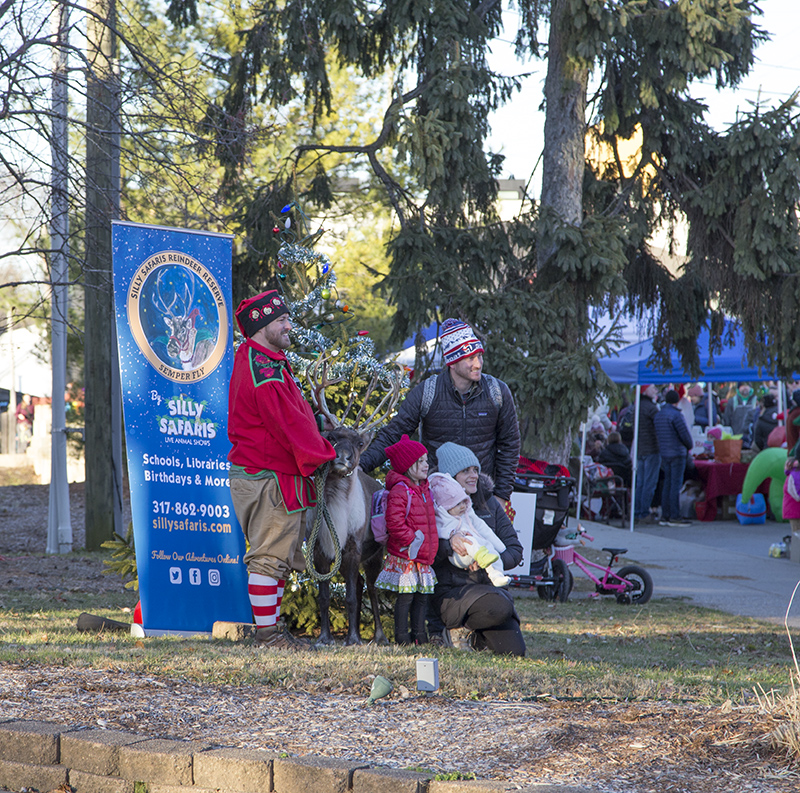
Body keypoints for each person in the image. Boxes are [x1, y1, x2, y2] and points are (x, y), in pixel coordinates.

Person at [227, 290, 335, 649]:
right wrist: (325, 454)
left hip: (272, 474)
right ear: (261, 327)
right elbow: (287, 422)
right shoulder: (263, 369)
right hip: (268, 477)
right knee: (268, 556)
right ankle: (268, 637)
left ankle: (269, 633)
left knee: (275, 557)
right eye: (281, 321)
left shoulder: (265, 361)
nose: (290, 326)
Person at [359, 318, 520, 507]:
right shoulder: (427, 392)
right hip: (437, 498)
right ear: (452, 362)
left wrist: (501, 495)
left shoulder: (497, 391)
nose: (478, 364)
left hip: (483, 497)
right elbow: (392, 435)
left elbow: (510, 445)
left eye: (480, 356)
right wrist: (361, 466)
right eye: (470, 358)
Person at [432, 442, 526, 656]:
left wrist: (489, 558)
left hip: (489, 588)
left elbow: (514, 550)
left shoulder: (489, 503)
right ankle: (457, 631)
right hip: (455, 592)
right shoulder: (435, 506)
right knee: (501, 606)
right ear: (450, 477)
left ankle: (471, 634)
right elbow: (427, 552)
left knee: (514, 651)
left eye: (475, 469)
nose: (473, 475)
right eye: (465, 471)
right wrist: (450, 545)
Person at [374, 435, 438, 645]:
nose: (426, 464)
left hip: (422, 556)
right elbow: (394, 522)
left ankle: (419, 635)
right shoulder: (401, 490)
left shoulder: (424, 490)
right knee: (406, 597)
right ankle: (402, 637)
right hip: (406, 555)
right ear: (408, 465)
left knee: (422, 596)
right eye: (421, 461)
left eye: (426, 460)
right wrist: (412, 540)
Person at [429, 472, 509, 588]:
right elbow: (440, 532)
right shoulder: (442, 519)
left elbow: (483, 529)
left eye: (463, 502)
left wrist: (500, 547)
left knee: (490, 547)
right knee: (468, 540)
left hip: (479, 551)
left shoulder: (467, 514)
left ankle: (496, 575)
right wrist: (452, 535)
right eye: (457, 504)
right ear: (445, 508)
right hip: (459, 555)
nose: (463, 506)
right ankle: (482, 556)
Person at [653, 390, 693, 527]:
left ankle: (665, 515)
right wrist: (689, 445)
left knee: (667, 484)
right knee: (675, 485)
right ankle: (675, 515)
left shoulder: (659, 415)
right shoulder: (676, 415)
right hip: (677, 453)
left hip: (665, 453)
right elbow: (685, 435)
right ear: (677, 401)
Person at [634, 384, 661, 524]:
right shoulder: (651, 408)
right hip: (651, 448)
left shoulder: (637, 406)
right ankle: (643, 512)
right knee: (649, 483)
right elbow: (660, 425)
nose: (655, 390)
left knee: (640, 483)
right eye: (653, 388)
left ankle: (638, 511)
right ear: (645, 390)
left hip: (640, 448)